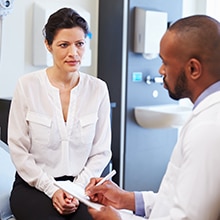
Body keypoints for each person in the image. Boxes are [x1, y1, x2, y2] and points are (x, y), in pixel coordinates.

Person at [85, 14, 220, 220]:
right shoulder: (207, 117)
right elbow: (176, 199)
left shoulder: (208, 129)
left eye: (165, 62)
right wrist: (126, 199)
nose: (161, 70)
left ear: (193, 69)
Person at [8, 7, 112, 220]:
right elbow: (18, 150)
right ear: (48, 45)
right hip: (34, 185)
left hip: (83, 186)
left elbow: (101, 152)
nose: (73, 53)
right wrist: (52, 189)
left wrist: (77, 189)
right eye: (64, 45)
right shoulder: (27, 86)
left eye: (80, 44)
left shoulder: (98, 89)